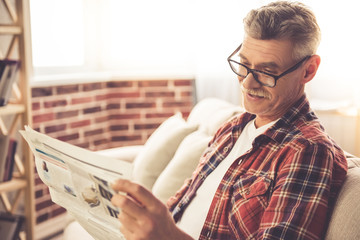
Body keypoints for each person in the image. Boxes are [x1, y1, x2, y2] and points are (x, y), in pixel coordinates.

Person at [111, 1, 348, 239]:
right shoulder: (233, 128)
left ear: (308, 70)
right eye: (244, 65)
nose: (247, 83)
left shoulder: (307, 150)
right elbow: (180, 207)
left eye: (266, 72)